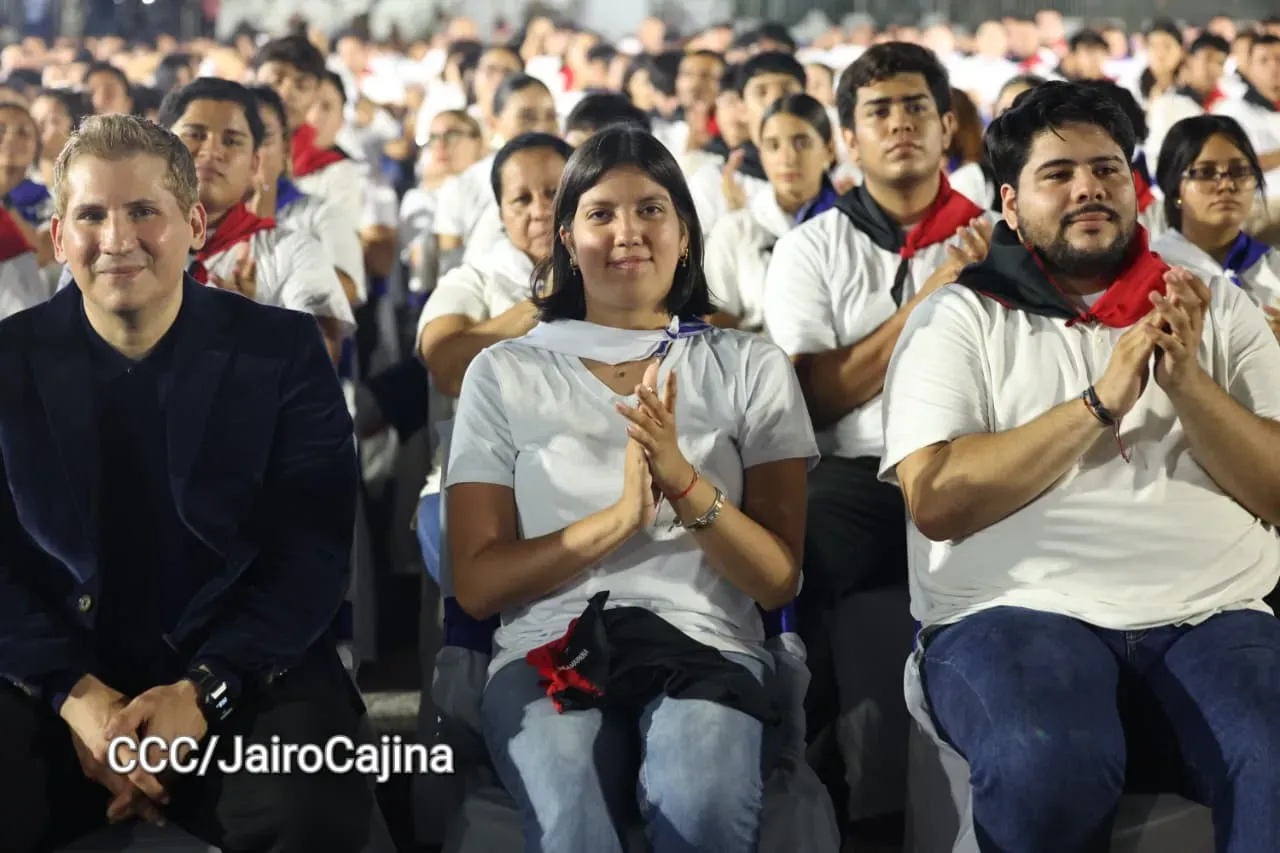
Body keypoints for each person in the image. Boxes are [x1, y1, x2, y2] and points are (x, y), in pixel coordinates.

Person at [880, 81, 1280, 851]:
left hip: (1211, 611)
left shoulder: (1211, 306)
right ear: (1008, 200)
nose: (1088, 187)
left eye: (1107, 168)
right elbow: (935, 498)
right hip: (1015, 610)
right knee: (1047, 762)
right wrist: (1097, 402)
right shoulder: (961, 315)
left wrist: (1188, 384)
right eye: (1057, 174)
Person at [0, 113, 376, 852]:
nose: (118, 240)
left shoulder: (280, 350)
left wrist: (204, 692)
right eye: (92, 216)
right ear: (58, 238)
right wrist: (78, 700)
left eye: (144, 211)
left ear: (195, 224)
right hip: (53, 680)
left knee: (314, 808)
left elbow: (313, 552)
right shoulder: (8, 361)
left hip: (243, 669)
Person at [446, 125, 816, 853]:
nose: (627, 233)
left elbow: (777, 581)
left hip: (707, 642)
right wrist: (617, 521)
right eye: (600, 213)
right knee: (571, 821)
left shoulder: (748, 366)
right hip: (546, 648)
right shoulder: (505, 371)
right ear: (566, 240)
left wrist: (680, 481)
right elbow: (477, 585)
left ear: (685, 235)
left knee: (701, 809)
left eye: (651, 209)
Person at [761, 43, 994, 824]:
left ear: (947, 126)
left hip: (971, 460)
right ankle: (811, 761)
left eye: (917, 108)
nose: (900, 125)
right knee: (789, 543)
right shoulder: (811, 247)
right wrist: (931, 297)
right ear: (849, 140)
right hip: (858, 471)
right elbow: (813, 396)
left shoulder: (996, 235)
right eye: (878, 112)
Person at [155, 78, 354, 362]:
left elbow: (321, 358)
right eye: (195, 134)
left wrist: (252, 323)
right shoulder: (122, 243)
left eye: (232, 141)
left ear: (254, 164)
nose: (212, 150)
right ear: (159, 147)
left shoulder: (293, 253)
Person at [416, 132, 573, 397]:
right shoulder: (472, 281)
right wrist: (548, 302)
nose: (542, 211)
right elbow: (449, 370)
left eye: (554, 193)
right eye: (522, 199)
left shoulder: (609, 276)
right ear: (500, 213)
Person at [705, 93, 839, 331]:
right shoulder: (737, 229)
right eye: (773, 146)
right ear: (761, 155)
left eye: (802, 143)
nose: (787, 158)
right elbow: (717, 321)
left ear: (828, 150)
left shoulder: (852, 224)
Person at [1152, 114, 1279, 339]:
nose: (1227, 185)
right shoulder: (1155, 270)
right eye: (1205, 173)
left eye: (1240, 171)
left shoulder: (1273, 266)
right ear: (1174, 188)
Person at [248, 85, 365, 305]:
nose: (250, 150)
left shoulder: (322, 216)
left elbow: (345, 292)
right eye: (233, 138)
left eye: (262, 137)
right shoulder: (196, 223)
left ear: (285, 149)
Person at [685, 51, 806, 233]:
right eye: (761, 92)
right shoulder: (711, 183)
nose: (774, 101)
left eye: (787, 91)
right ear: (742, 108)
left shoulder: (831, 178)